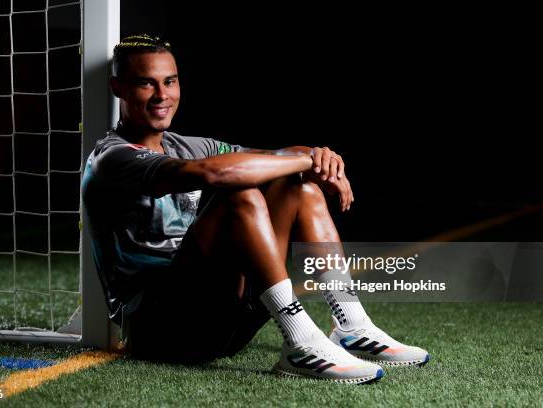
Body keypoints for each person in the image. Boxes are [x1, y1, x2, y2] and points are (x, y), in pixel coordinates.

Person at [82, 34, 429, 384]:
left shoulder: (186, 144)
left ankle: (352, 325)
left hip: (222, 319)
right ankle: (303, 341)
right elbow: (217, 173)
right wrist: (304, 159)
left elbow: (271, 156)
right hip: (158, 328)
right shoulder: (112, 157)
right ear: (118, 87)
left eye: (170, 82)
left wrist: (321, 157)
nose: (162, 95)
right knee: (240, 195)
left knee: (302, 189)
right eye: (146, 83)